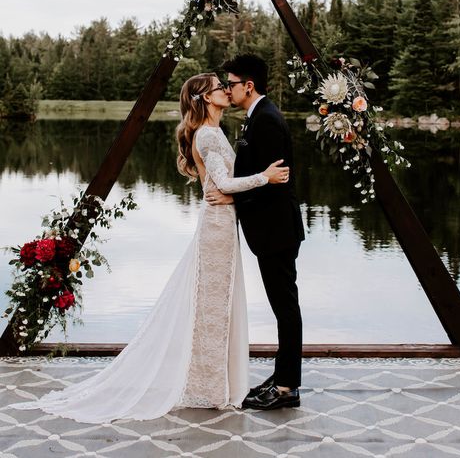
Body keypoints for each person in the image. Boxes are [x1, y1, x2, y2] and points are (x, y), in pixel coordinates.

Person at [9, 73, 289, 424]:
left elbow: (222, 186)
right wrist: (266, 177)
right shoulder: (207, 134)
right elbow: (223, 183)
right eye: (218, 87)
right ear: (204, 98)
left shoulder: (213, 133)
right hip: (216, 228)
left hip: (221, 222)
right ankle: (208, 386)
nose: (223, 90)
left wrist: (232, 190)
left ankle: (213, 383)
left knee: (217, 306)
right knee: (212, 308)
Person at [207, 54, 304, 410]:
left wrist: (229, 191)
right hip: (272, 229)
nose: (227, 89)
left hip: (276, 230)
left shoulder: (266, 120)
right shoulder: (257, 118)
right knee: (284, 305)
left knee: (286, 307)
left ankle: (287, 387)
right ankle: (282, 378)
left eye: (230, 84)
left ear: (248, 86)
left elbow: (272, 181)